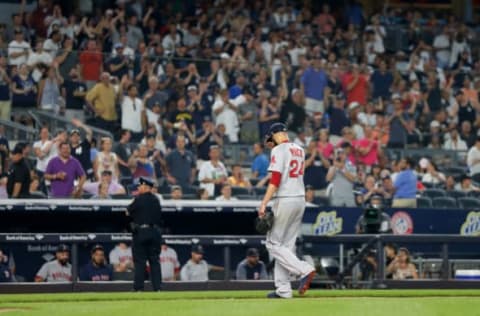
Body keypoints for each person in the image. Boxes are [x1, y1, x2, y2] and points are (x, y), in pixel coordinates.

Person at [257, 122, 316, 299]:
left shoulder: (278, 150)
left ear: (275, 134)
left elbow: (275, 179)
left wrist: (263, 203)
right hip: (300, 199)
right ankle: (283, 290)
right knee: (286, 246)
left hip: (285, 199)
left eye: (271, 137)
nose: (270, 141)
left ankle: (304, 269)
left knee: (273, 243)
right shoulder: (299, 149)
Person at [126, 177, 162, 291]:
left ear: (146, 187)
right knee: (154, 261)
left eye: (140, 185)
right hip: (154, 233)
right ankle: (158, 288)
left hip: (141, 233)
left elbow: (128, 211)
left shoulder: (138, 199)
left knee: (140, 261)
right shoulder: (156, 199)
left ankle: (139, 288)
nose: (138, 187)